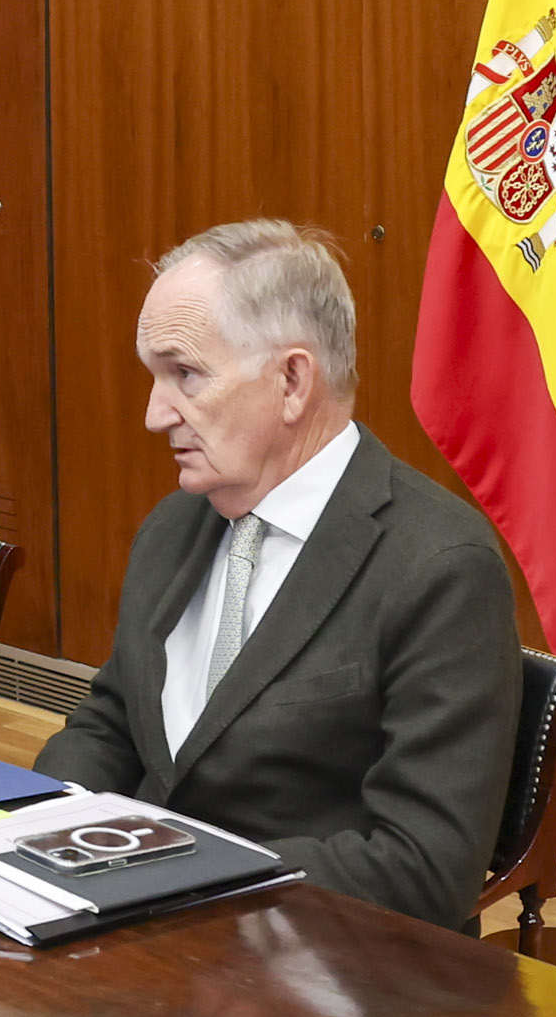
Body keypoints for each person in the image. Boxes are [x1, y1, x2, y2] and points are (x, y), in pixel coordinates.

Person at [31, 219, 523, 928]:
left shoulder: (437, 565)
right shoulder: (175, 526)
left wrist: (179, 874)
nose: (153, 413)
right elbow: (114, 724)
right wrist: (31, 830)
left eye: (185, 375)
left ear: (292, 381)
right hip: (149, 942)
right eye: (153, 376)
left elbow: (424, 865)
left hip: (331, 976)